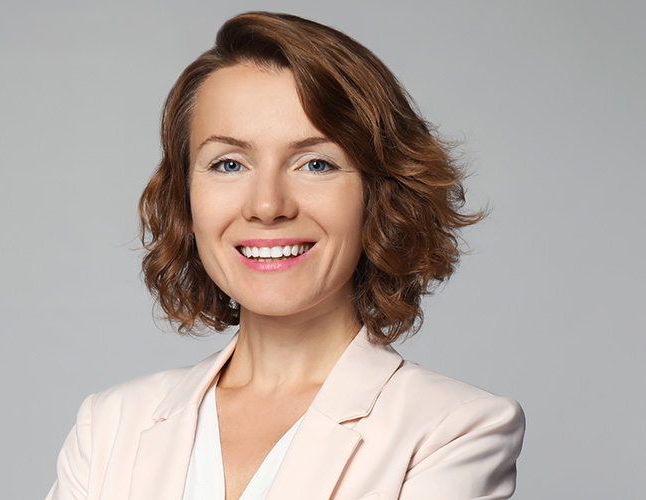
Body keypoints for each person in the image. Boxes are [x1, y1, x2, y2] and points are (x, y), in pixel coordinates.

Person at [46, 11, 524, 500]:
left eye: (315, 163)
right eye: (228, 164)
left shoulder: (452, 430)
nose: (267, 205)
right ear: (185, 200)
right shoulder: (109, 427)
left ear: (379, 197)